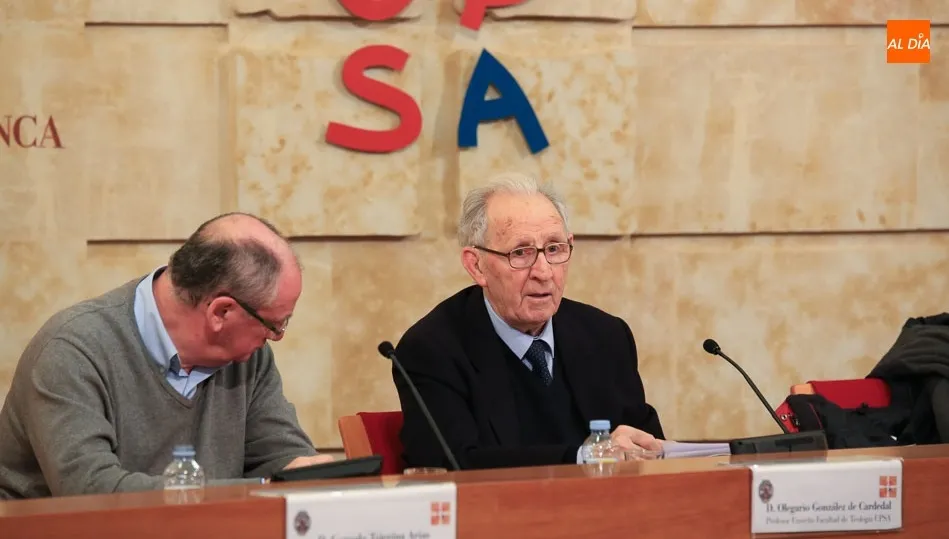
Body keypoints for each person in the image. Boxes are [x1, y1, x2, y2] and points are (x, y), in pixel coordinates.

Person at [0, 212, 332, 499]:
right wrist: (261, 488)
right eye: (274, 325)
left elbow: (281, 455)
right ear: (221, 312)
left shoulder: (249, 358)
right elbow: (91, 491)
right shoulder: (71, 351)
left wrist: (307, 475)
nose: (277, 337)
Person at [393, 173, 664, 470]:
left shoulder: (605, 336)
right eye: (520, 253)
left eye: (554, 249)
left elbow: (647, 446)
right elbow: (451, 464)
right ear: (476, 265)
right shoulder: (433, 349)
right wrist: (585, 458)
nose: (544, 272)